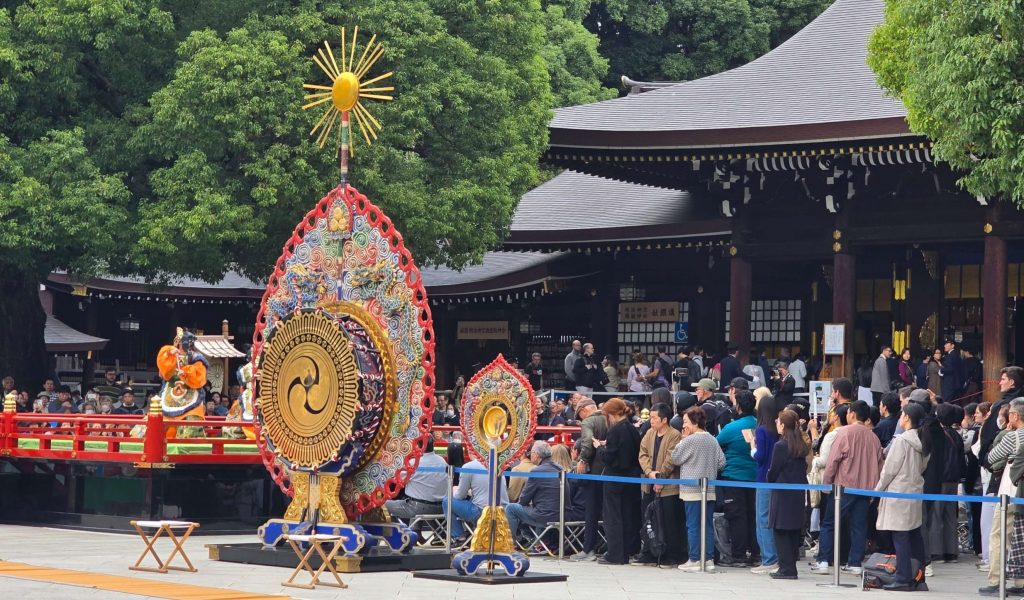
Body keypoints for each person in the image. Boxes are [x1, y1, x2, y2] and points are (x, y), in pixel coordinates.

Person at [813, 400, 882, 575]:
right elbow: (880, 466)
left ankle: (823, 561)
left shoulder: (843, 433)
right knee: (859, 526)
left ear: (852, 414)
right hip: (865, 489)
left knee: (829, 523)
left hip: (843, 487)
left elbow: (832, 462)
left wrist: (827, 484)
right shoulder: (874, 438)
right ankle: (855, 563)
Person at [875, 402, 932, 591]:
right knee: (914, 535)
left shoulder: (902, 440)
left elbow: (889, 469)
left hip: (898, 492)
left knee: (900, 537)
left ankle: (903, 578)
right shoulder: (923, 439)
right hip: (914, 491)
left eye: (902, 415)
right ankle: (919, 578)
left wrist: (878, 489)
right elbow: (923, 467)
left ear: (907, 417)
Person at [672, 406, 725, 572]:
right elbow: (722, 463)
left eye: (686, 421)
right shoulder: (712, 440)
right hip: (709, 489)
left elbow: (675, 458)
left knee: (693, 525)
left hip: (691, 489)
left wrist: (683, 439)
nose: (684, 425)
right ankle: (708, 559)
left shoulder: (689, 440)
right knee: (707, 525)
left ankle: (694, 558)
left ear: (694, 422)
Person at [635, 402, 684, 566]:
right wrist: (650, 472)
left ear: (664, 420)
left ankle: (671, 554)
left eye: (654, 418)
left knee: (669, 521)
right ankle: (649, 551)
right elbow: (642, 454)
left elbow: (671, 459)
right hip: (649, 483)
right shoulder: (649, 433)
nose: (651, 421)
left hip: (669, 486)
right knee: (648, 520)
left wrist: (660, 477)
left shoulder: (674, 435)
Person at [593, 397, 641, 564]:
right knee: (628, 515)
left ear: (611, 414)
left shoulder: (614, 431)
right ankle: (627, 551)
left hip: (615, 478)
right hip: (632, 477)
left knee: (613, 516)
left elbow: (610, 457)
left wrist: (599, 448)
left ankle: (615, 554)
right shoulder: (632, 429)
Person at [716, 389, 758, 567]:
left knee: (737, 516)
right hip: (755, 477)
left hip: (734, 476)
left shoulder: (732, 427)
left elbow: (716, 443)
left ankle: (739, 555)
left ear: (738, 406)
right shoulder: (759, 424)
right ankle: (756, 553)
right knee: (753, 515)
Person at [767, 409, 809, 580]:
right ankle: (790, 567)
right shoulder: (800, 444)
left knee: (781, 531)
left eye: (778, 422)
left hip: (783, 493)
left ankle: (786, 568)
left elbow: (774, 470)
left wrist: (769, 478)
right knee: (792, 531)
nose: (776, 424)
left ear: (783, 425)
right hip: (797, 493)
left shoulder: (781, 445)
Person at [505, 441, 568, 540]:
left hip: (544, 516)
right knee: (537, 507)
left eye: (532, 453)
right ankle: (538, 542)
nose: (530, 455)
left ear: (537, 455)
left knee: (510, 508)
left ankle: (510, 542)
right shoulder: (560, 468)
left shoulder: (537, 471)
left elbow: (524, 499)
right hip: (562, 515)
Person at [385, 438, 448, 537]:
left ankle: (391, 535)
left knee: (384, 505)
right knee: (417, 494)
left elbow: (396, 478)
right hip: (440, 507)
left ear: (418, 447)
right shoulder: (442, 461)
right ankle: (416, 533)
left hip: (417, 507)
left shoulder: (413, 463)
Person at [570, 397, 607, 561]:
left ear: (584, 411)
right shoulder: (608, 418)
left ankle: (588, 548)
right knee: (609, 511)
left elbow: (587, 442)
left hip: (594, 471)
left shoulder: (588, 422)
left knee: (591, 511)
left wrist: (583, 460)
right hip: (609, 470)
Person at [442, 456, 509, 545]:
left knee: (447, 501)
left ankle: (459, 537)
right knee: (472, 501)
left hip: (482, 512)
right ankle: (470, 533)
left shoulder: (469, 466)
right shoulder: (497, 465)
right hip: (503, 512)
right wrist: (471, 492)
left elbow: (460, 496)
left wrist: (455, 490)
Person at [751, 394, 781, 574]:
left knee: (762, 519)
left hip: (763, 478)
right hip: (776, 479)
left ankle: (769, 558)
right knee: (770, 519)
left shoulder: (761, 430)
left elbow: (760, 456)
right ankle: (771, 557)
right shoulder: (776, 430)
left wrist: (752, 448)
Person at [940, 339, 964, 404]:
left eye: (946, 344)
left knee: (947, 402)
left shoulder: (951, 355)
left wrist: (941, 370)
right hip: (955, 383)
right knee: (954, 403)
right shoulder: (954, 355)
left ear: (952, 345)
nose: (944, 346)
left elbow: (950, 369)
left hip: (950, 383)